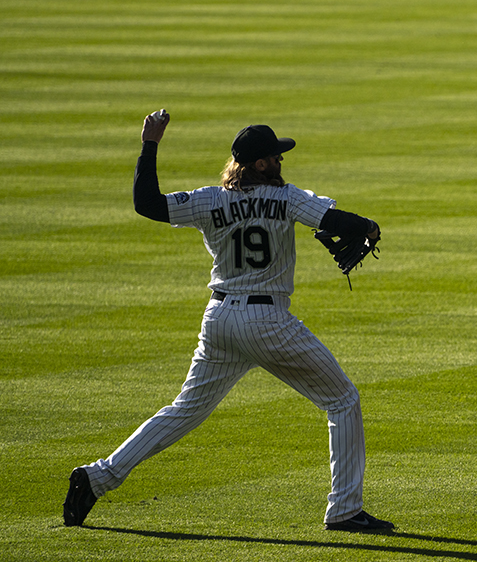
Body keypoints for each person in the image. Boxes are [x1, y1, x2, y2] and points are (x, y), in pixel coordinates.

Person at [63, 110, 392, 532]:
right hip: (267, 322)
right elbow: (334, 221)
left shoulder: (207, 200)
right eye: (275, 156)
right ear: (259, 165)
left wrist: (150, 143)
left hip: (219, 319)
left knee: (183, 411)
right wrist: (368, 226)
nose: (281, 161)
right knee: (342, 400)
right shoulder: (287, 198)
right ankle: (345, 510)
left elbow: (147, 203)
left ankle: (97, 476)